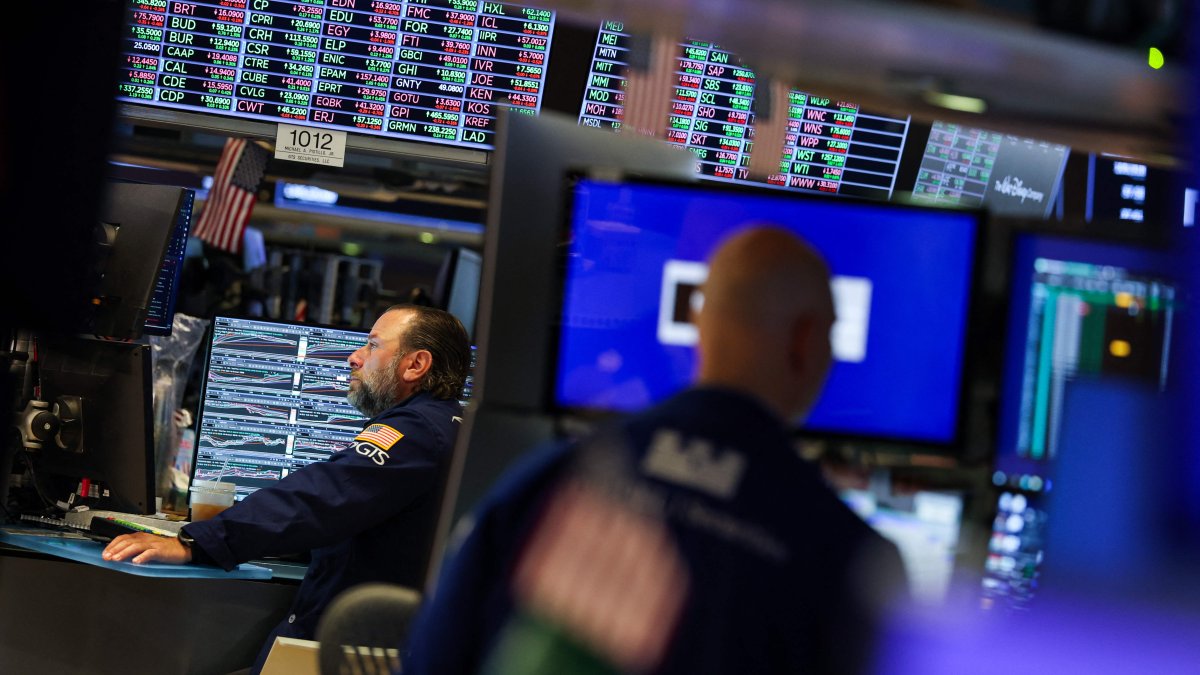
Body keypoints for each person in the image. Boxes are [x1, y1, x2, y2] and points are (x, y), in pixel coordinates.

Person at [405, 226, 907, 675]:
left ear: (698, 324)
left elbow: (432, 659)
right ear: (806, 339)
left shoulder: (551, 476)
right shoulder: (851, 561)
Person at [103, 304, 471, 673]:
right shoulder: (449, 429)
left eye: (373, 346)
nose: (353, 357)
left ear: (416, 365)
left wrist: (198, 542)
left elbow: (322, 497)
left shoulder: (417, 433)